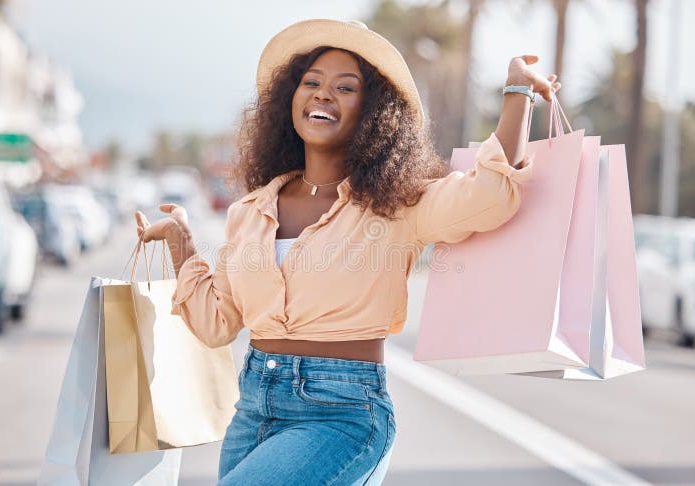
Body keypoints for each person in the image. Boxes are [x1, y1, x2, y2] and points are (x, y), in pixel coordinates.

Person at [135, 18, 560, 485]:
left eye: (345, 87)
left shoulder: (398, 203)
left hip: (343, 414)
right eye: (311, 82)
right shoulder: (250, 211)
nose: (322, 94)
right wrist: (183, 244)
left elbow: (492, 195)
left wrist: (517, 93)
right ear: (289, 101)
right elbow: (217, 326)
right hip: (253, 410)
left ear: (373, 111)